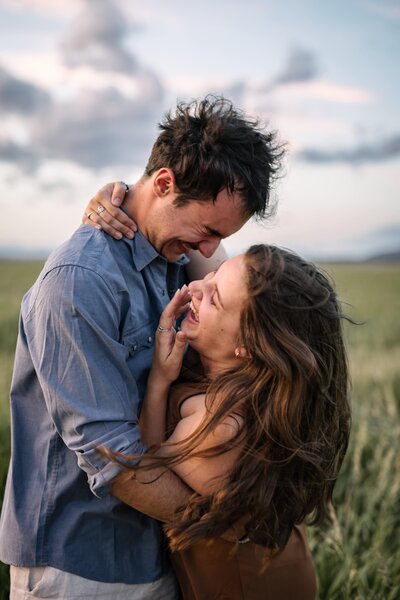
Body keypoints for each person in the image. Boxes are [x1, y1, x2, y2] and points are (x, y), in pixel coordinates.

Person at [0, 96, 284, 598]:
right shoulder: (79, 282)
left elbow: (250, 308)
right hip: (82, 567)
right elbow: (115, 460)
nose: (210, 250)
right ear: (165, 184)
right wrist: (235, 527)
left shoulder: (175, 258)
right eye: (209, 230)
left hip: (159, 556)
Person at [102, 243, 351, 599]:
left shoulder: (221, 429)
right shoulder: (253, 388)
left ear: (248, 345)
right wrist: (124, 199)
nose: (195, 287)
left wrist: (158, 381)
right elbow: (199, 236)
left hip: (248, 586)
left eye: (214, 297)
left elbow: (142, 472)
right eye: (213, 275)